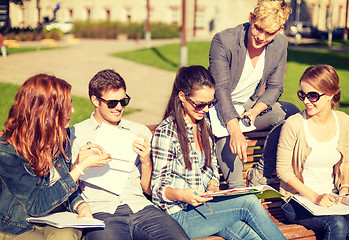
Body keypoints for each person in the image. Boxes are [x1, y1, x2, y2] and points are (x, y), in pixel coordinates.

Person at [151, 65, 286, 239]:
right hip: (178, 216)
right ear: (182, 97)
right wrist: (183, 195)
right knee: (248, 202)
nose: (206, 110)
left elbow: (212, 165)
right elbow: (157, 188)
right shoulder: (167, 131)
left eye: (210, 103)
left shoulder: (203, 125)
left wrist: (213, 184)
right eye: (199, 105)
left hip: (204, 209)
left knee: (248, 235)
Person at [70, 69, 190, 240]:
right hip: (101, 211)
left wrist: (146, 161)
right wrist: (78, 164)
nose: (119, 107)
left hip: (140, 208)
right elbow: (65, 186)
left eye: (123, 101)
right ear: (95, 101)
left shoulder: (138, 131)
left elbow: (148, 190)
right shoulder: (76, 134)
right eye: (112, 103)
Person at [0, 74, 111, 240]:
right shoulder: (7, 150)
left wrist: (80, 205)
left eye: (71, 103)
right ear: (44, 110)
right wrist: (80, 168)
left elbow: (62, 179)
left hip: (55, 216)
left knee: (66, 236)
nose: (72, 111)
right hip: (19, 224)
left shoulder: (59, 134)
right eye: (65, 106)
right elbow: (35, 205)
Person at [208, 0, 300, 188]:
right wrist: (234, 130)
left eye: (269, 33)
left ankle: (259, 172)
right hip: (218, 108)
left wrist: (255, 111)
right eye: (258, 28)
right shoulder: (224, 41)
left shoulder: (280, 44)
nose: (261, 37)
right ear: (251, 18)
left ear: (280, 30)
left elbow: (275, 87)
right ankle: (239, 191)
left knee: (290, 112)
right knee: (235, 178)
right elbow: (221, 89)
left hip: (247, 108)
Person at [276, 65, 349, 239]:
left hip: (333, 197)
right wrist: (315, 197)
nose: (306, 101)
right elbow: (283, 170)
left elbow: (346, 161)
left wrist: (344, 186)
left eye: (312, 95)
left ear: (330, 95)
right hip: (297, 200)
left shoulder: (344, 121)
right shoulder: (294, 124)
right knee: (336, 225)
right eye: (302, 95)